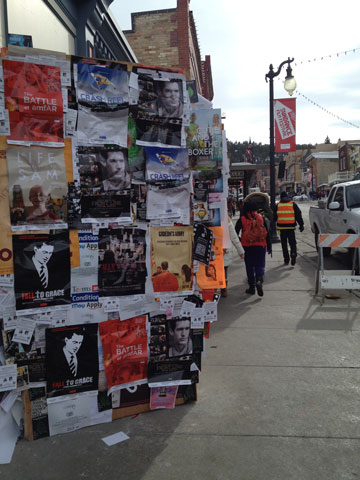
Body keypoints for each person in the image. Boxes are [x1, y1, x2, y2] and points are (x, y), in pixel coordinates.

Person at [238, 199, 271, 297]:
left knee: (249, 266)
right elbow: (267, 232)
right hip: (261, 246)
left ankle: (251, 287)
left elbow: (235, 232)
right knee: (260, 264)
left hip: (247, 246)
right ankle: (259, 281)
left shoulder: (242, 219)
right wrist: (269, 246)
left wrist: (240, 241)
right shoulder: (261, 218)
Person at [275, 191, 304, 266]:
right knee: (292, 242)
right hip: (291, 227)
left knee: (284, 244)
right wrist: (301, 225)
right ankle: (293, 253)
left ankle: (286, 259)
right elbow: (298, 215)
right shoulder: (292, 204)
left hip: (281, 228)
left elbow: (274, 217)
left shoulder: (278, 205)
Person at [222, 215, 245, 297]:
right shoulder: (227, 220)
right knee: (224, 269)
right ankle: (223, 288)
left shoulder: (209, 220)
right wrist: (240, 251)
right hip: (225, 250)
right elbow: (234, 237)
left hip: (214, 249)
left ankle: (215, 287)